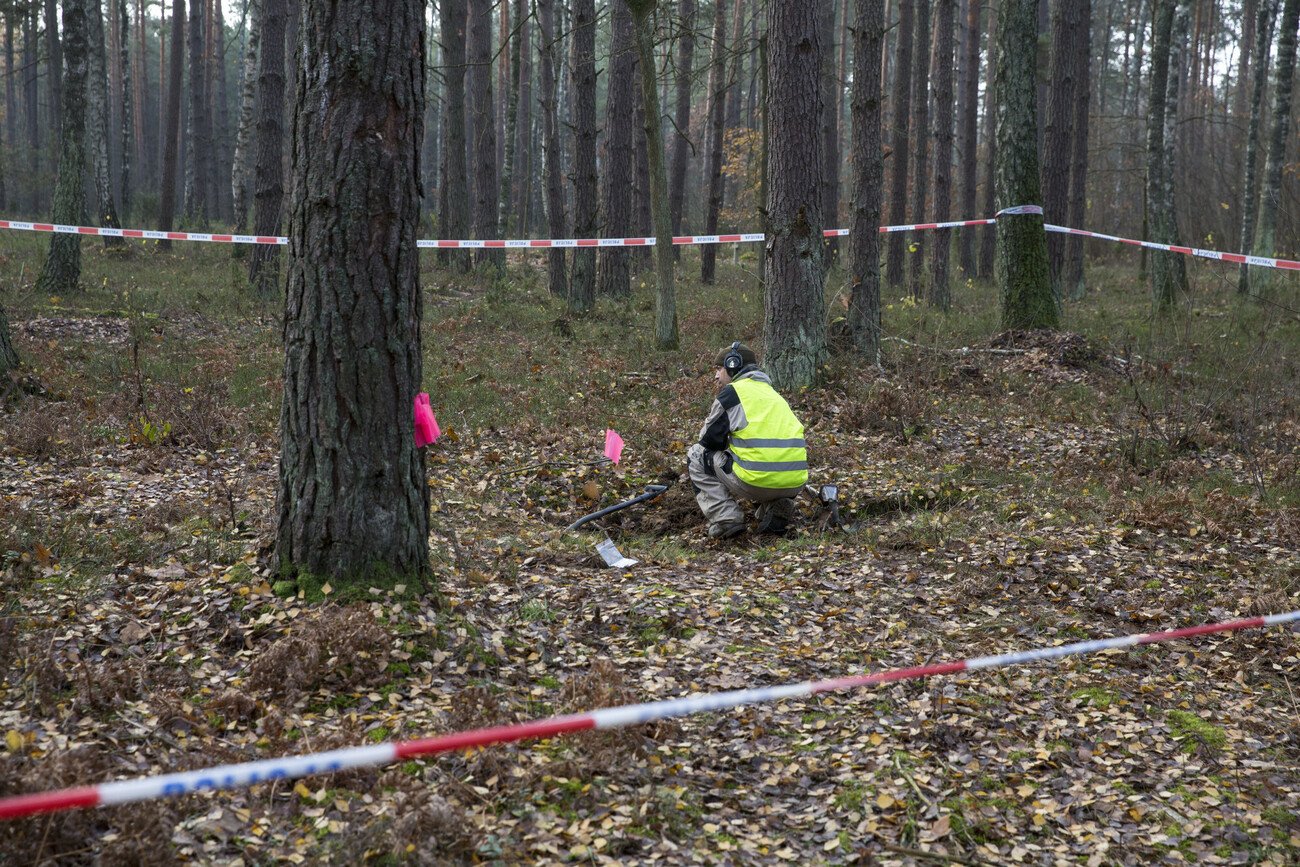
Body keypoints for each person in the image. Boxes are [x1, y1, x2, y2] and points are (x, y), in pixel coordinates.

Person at [686, 342, 808, 539]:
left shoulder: (732, 393)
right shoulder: (774, 395)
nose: (716, 376)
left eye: (719, 368)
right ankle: (774, 507)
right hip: (795, 482)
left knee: (696, 455)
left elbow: (707, 440)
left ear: (733, 365)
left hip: (756, 481)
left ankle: (727, 520)